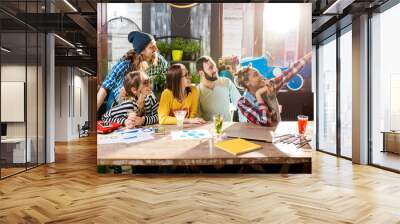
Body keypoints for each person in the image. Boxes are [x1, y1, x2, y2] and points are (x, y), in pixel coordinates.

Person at [97, 31, 168, 114]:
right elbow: (106, 86)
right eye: (151, 47)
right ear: (142, 51)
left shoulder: (159, 61)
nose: (156, 49)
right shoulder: (126, 63)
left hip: (141, 101)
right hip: (119, 101)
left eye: (155, 45)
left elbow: (168, 78)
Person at [235, 52, 312, 126]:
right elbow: (265, 122)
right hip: (255, 136)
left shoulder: (270, 86)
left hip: (276, 132)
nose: (261, 76)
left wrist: (307, 56)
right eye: (256, 75)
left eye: (259, 73)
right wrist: (258, 95)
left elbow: (289, 73)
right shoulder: (243, 102)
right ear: (247, 82)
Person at [196, 56, 245, 122]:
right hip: (207, 129)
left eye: (214, 66)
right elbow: (197, 117)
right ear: (201, 73)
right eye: (211, 68)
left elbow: (241, 105)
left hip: (227, 129)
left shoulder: (226, 82)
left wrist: (243, 123)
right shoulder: (197, 91)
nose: (215, 70)